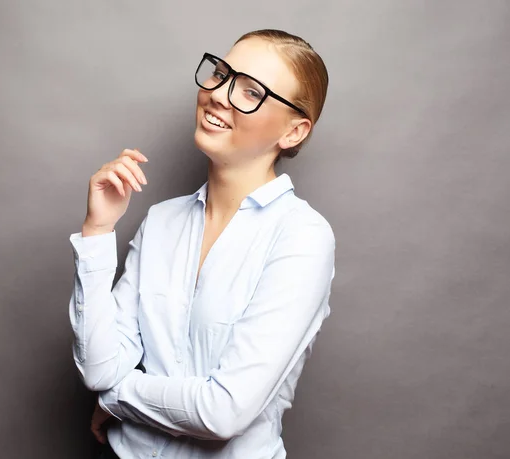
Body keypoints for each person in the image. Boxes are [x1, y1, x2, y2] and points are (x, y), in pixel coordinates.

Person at [68, 29, 335, 459]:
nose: (219, 95)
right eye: (221, 74)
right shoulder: (161, 221)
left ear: (293, 131)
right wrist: (98, 230)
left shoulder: (302, 238)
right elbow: (100, 368)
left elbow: (224, 412)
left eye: (251, 91)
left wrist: (117, 401)